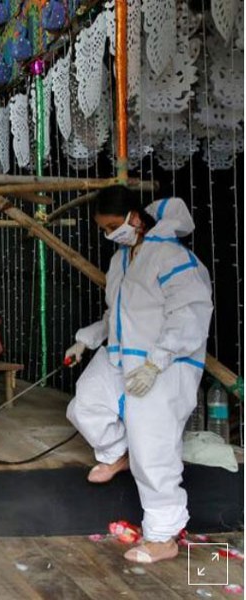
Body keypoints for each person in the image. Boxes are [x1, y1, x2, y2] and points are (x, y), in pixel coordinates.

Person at [64, 187, 213, 564]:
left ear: (136, 217)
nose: (109, 234)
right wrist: (87, 339)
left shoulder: (173, 257)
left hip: (162, 364)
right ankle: (118, 453)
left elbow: (190, 313)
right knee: (86, 404)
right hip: (120, 356)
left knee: (154, 449)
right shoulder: (120, 261)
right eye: (104, 229)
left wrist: (155, 362)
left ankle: (162, 536)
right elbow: (117, 314)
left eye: (113, 226)